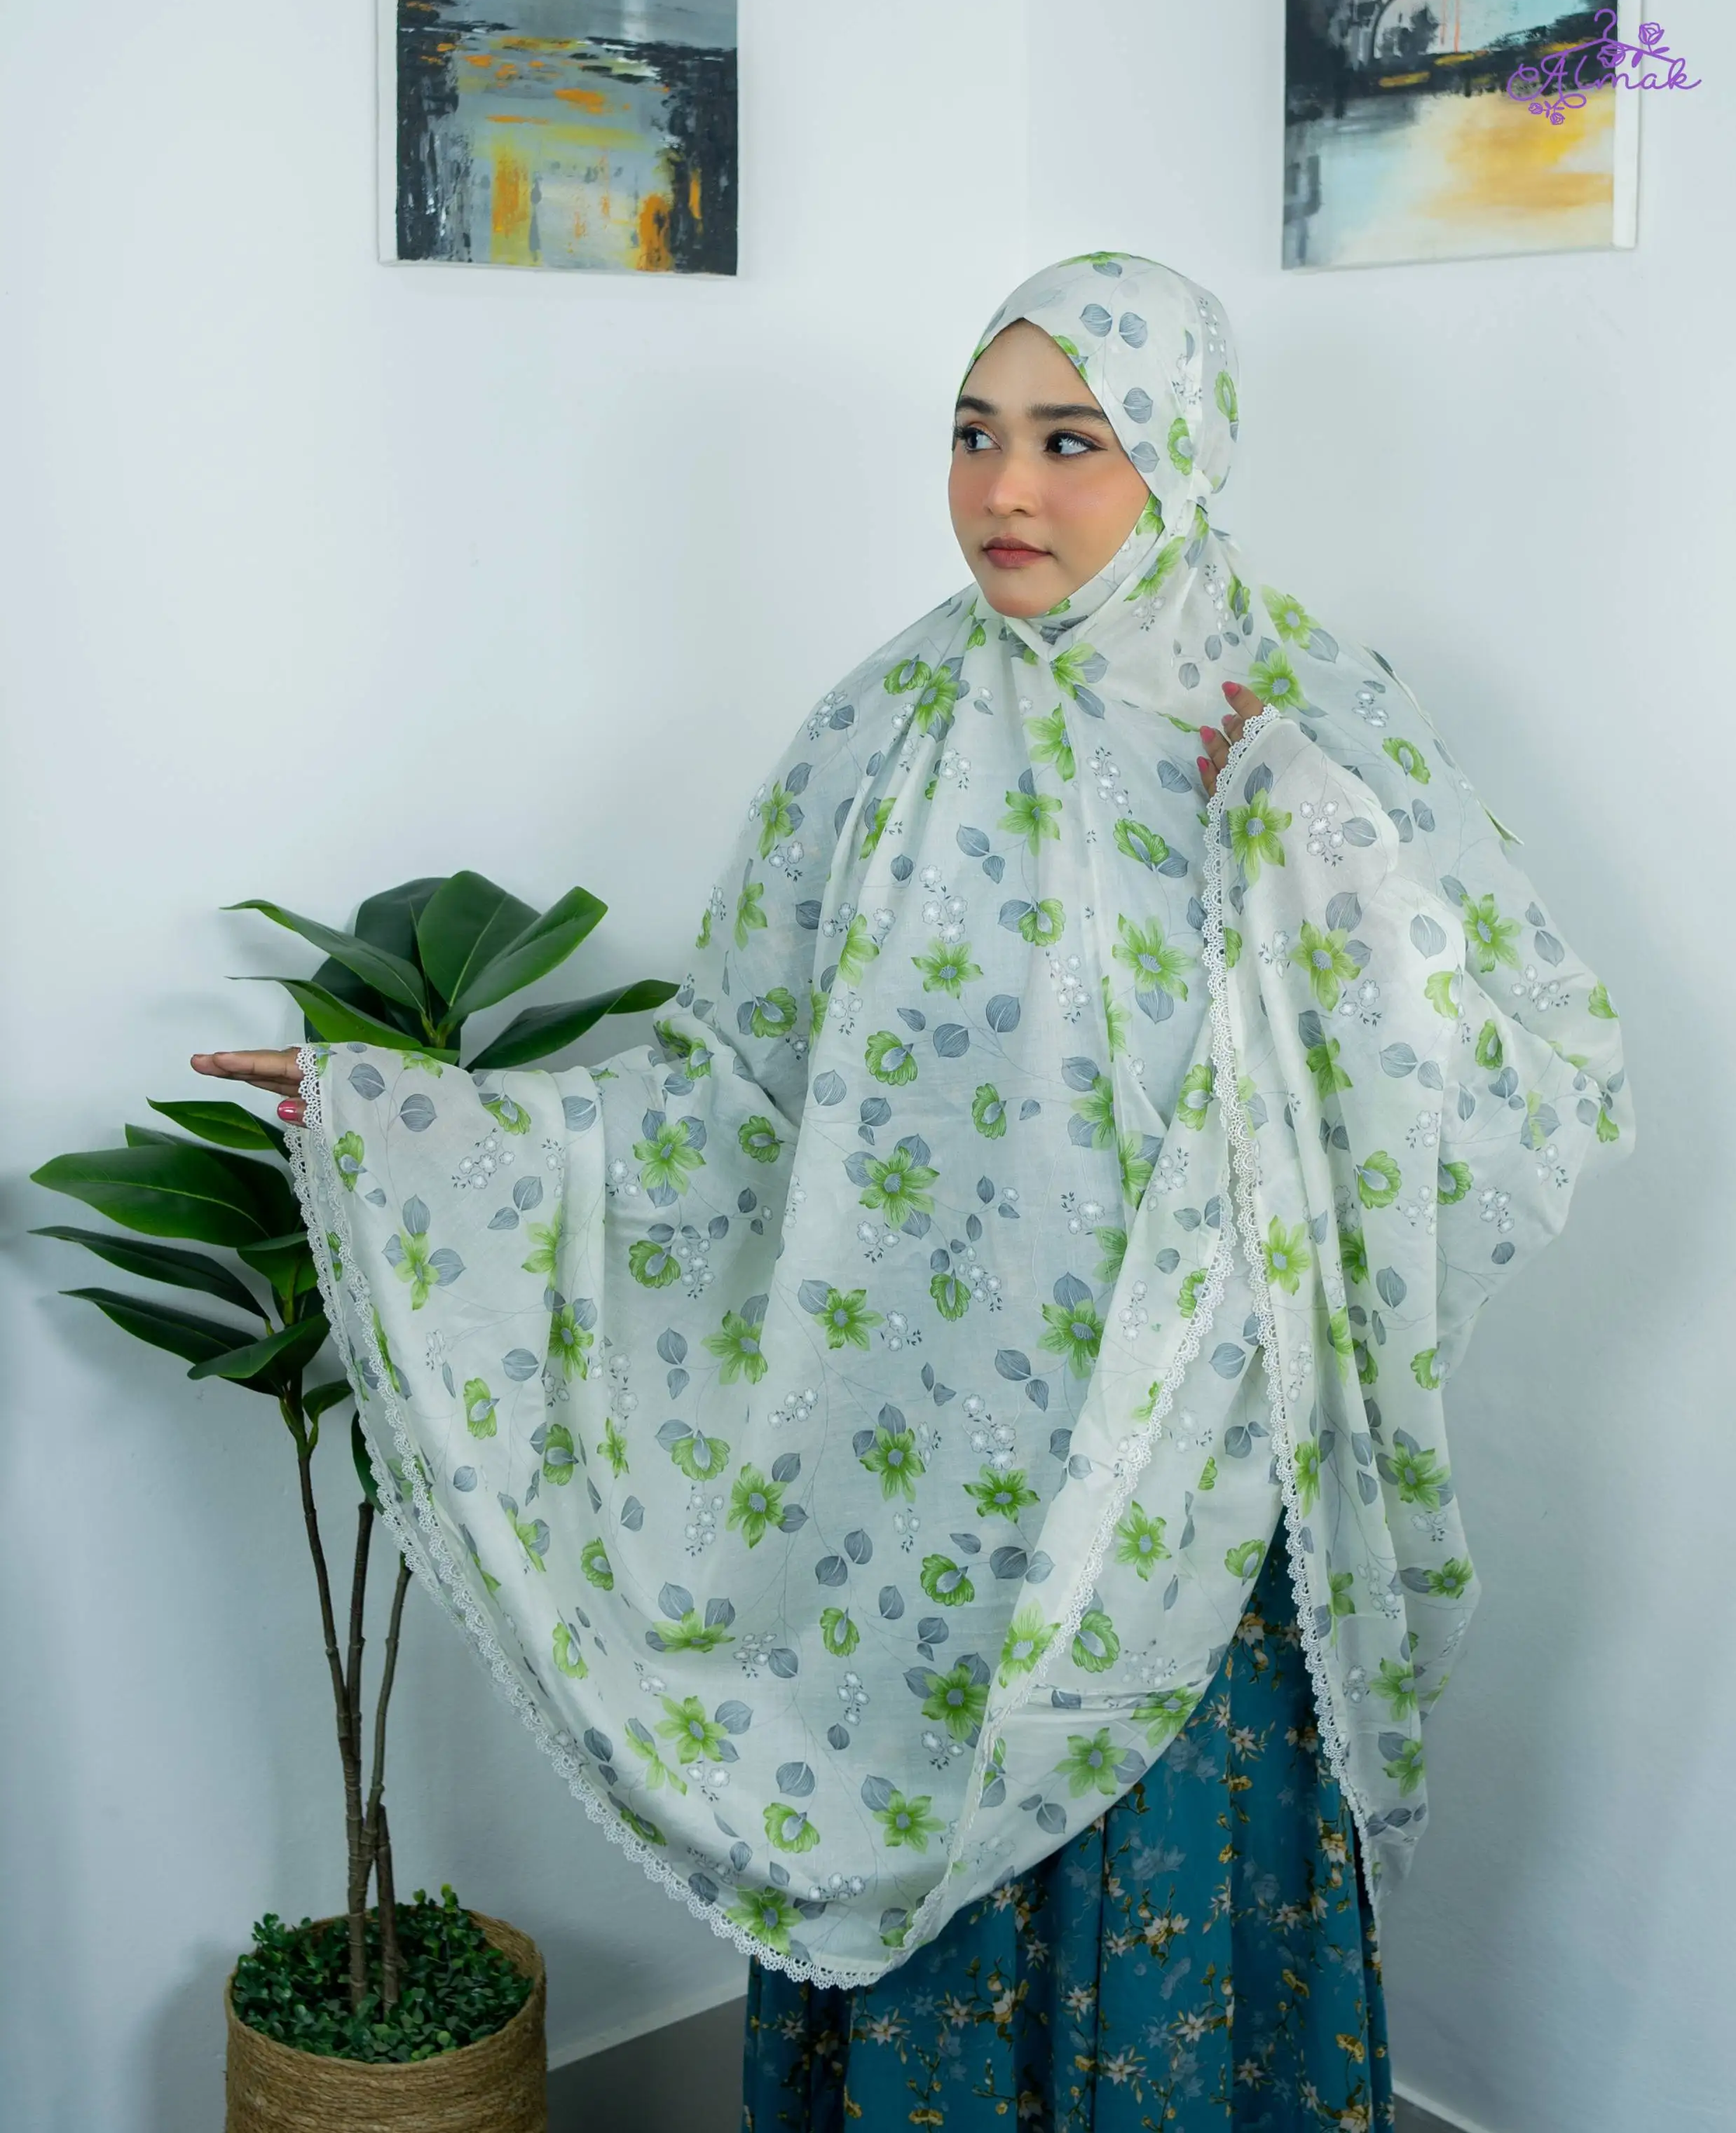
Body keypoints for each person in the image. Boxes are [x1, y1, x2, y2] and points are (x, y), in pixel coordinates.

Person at [195, 254, 1630, 2128]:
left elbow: (1530, 1072)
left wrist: (1318, 848)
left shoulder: (1302, 722)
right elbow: (727, 1090)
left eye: (1072, 441)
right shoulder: (878, 733)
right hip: (912, 1494)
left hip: (1186, 1498)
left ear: (1182, 455)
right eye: (973, 435)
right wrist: (412, 1124)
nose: (1003, 491)